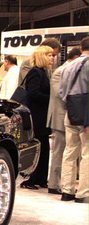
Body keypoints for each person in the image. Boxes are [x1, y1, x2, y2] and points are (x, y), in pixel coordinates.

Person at [47, 47, 82, 195]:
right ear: (76, 57)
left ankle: (63, 183)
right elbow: (60, 94)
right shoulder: (60, 71)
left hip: (69, 115)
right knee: (59, 152)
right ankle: (54, 184)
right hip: (60, 117)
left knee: (67, 152)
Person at [19, 45, 55, 190]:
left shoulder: (43, 72)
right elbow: (33, 93)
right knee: (38, 146)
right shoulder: (35, 72)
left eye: (52, 55)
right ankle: (31, 179)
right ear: (41, 57)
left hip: (42, 115)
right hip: (36, 115)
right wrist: (50, 99)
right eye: (49, 55)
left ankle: (41, 178)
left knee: (44, 146)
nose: (52, 58)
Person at [59, 37, 89, 203]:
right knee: (87, 153)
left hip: (70, 112)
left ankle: (67, 190)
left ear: (81, 48)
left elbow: (62, 93)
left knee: (69, 151)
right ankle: (83, 193)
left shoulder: (68, 66)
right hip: (86, 114)